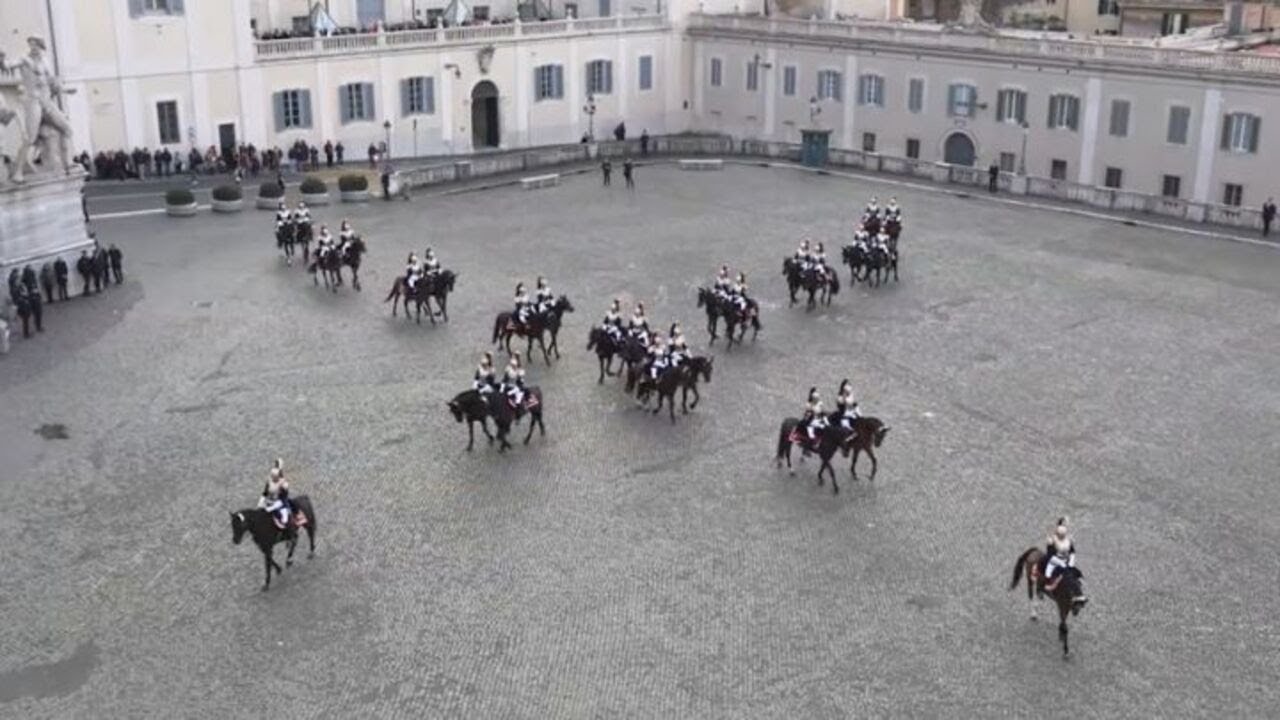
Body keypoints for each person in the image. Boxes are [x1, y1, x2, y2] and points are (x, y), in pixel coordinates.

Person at [1043, 519, 1087, 606]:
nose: (1062, 536)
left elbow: (1072, 552)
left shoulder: (1068, 541)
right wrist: (1060, 562)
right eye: (1060, 535)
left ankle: (1078, 592)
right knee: (1050, 574)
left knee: (1074, 573)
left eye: (1063, 535)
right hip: (1055, 562)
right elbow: (1050, 555)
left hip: (1066, 561)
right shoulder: (1052, 541)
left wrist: (1071, 562)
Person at [258, 460, 291, 530]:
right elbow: (265, 492)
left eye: (274, 476)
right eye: (272, 476)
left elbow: (284, 497)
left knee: (285, 520)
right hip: (269, 501)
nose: (273, 478)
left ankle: (289, 534)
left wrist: (273, 507)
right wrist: (261, 501)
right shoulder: (269, 482)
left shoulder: (283, 484)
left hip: (280, 503)